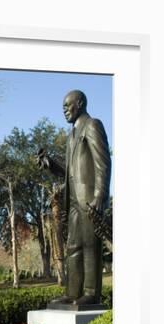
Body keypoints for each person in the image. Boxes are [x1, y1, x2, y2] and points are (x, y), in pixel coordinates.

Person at [37, 90, 111, 306]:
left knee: (90, 244)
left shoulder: (92, 125)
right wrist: (50, 163)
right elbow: (70, 171)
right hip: (73, 201)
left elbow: (103, 163)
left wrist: (100, 195)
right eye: (63, 107)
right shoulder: (71, 136)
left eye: (67, 106)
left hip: (89, 197)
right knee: (73, 247)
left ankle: (91, 293)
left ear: (80, 103)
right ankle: (72, 292)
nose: (64, 110)